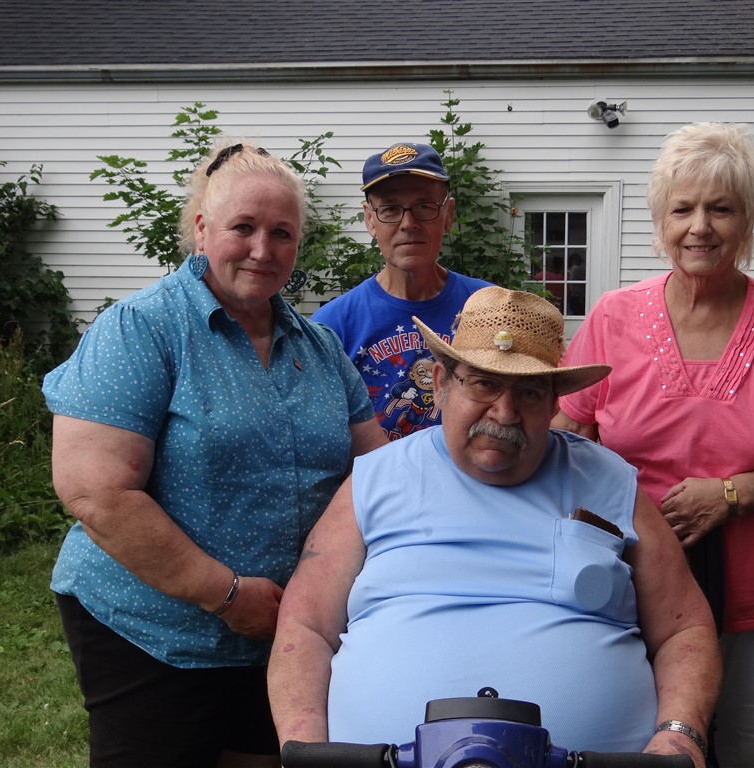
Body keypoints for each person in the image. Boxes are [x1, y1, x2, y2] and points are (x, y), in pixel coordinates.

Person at [268, 287, 721, 768]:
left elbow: (684, 628)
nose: (504, 413)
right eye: (483, 384)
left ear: (554, 403)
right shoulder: (375, 480)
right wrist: (304, 749)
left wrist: (679, 735)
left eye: (528, 392)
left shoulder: (611, 481)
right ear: (441, 383)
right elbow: (305, 624)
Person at [42, 139, 386, 768]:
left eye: (281, 233)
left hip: (280, 632)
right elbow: (96, 491)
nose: (263, 249)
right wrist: (225, 595)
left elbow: (377, 473)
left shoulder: (319, 346)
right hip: (153, 630)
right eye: (243, 227)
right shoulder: (141, 328)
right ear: (202, 229)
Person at [553, 122, 754, 768]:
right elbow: (568, 434)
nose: (700, 227)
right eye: (683, 209)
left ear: (746, 221)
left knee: (748, 747)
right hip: (629, 585)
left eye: (720, 209)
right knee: (639, 744)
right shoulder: (613, 316)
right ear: (660, 221)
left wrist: (731, 495)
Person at [310, 142, 491, 440]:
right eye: (390, 209)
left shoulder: (489, 308)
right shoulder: (332, 327)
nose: (408, 224)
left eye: (424, 207)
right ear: (370, 219)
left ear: (448, 214)